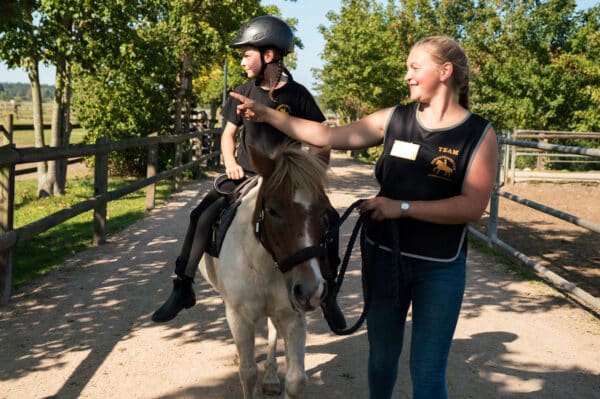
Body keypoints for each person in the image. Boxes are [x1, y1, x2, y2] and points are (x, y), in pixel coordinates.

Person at [231, 35, 498, 399]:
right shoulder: (394, 119)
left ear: (445, 71)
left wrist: (401, 208)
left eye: (415, 67)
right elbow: (327, 135)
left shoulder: (478, 134)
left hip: (439, 266)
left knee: (429, 372)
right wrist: (265, 114)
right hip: (384, 257)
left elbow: (471, 207)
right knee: (382, 360)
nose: (407, 75)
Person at [152, 15, 347, 331]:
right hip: (243, 174)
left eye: (247, 53)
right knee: (201, 215)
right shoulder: (241, 91)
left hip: (285, 181)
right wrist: (229, 161)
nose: (242, 60)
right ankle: (182, 285)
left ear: (268, 55)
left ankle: (329, 292)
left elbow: (321, 136)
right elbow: (228, 135)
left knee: (329, 220)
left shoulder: (298, 96)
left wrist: (310, 171)